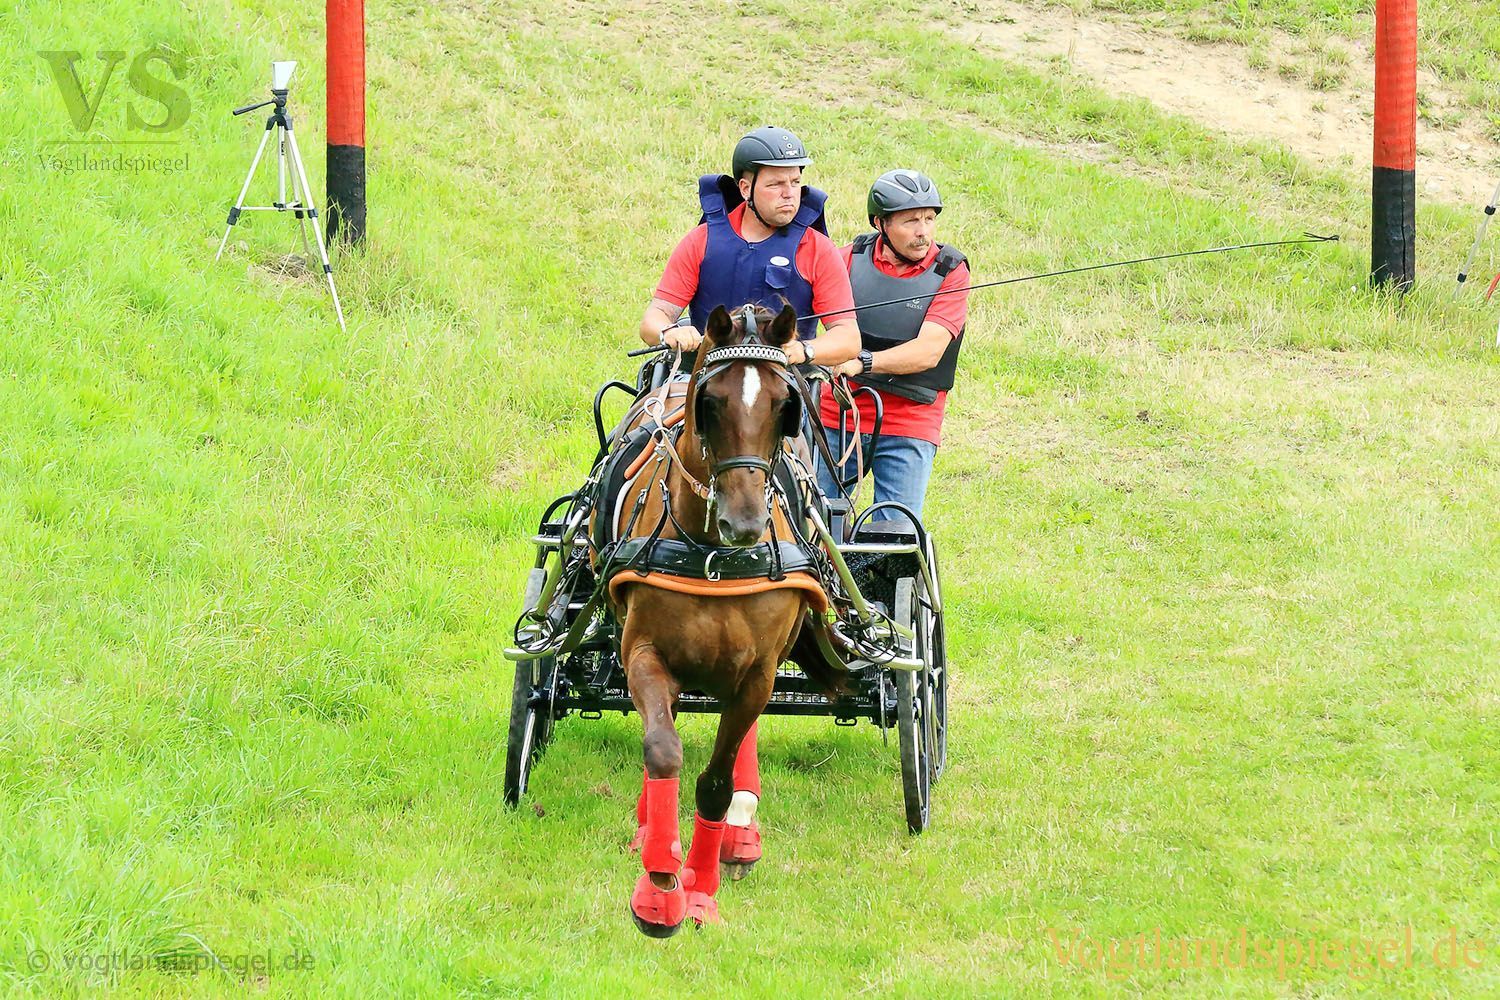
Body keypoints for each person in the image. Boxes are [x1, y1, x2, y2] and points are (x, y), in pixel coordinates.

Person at [816, 169, 971, 525]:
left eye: (929, 219)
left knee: (893, 537)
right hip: (839, 415)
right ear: (880, 223)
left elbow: (928, 352)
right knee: (816, 528)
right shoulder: (845, 259)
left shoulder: (951, 271)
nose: (923, 232)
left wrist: (862, 362)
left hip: (910, 421)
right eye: (911, 221)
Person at [638, 126, 860, 371]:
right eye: (776, 184)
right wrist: (669, 332)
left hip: (786, 378)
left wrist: (805, 350)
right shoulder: (700, 241)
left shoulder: (819, 249)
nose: (789, 194)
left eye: (795, 182)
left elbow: (848, 338)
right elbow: (653, 319)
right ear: (745, 189)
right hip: (705, 375)